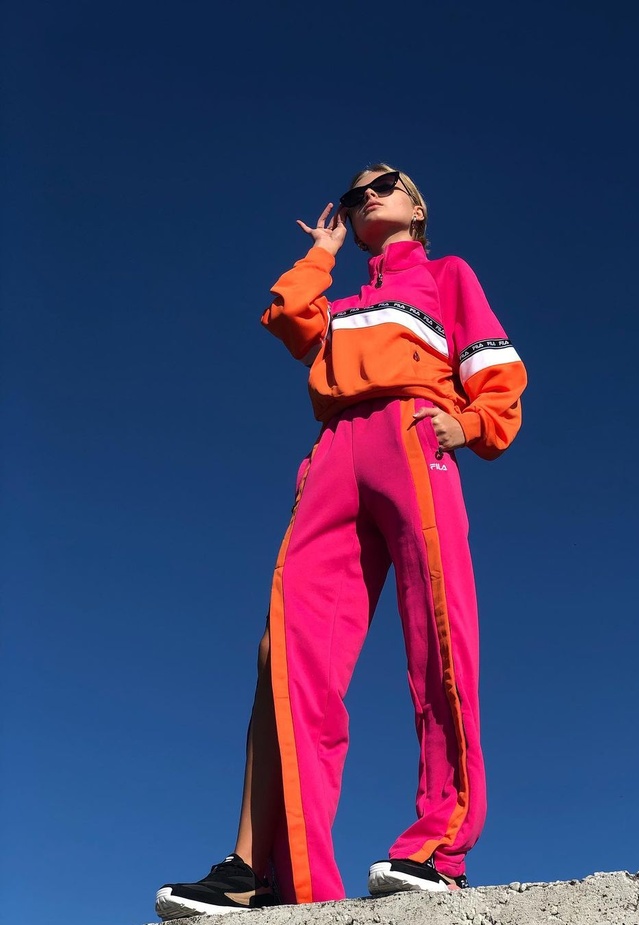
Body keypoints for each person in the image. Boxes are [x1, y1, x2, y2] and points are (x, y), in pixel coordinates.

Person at [155, 164, 527, 919]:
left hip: (412, 433)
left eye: (383, 184)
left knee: (439, 633)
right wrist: (322, 253)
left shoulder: (448, 275)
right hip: (332, 453)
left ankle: (439, 846)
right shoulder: (345, 303)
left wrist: (472, 424)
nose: (366, 197)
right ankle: (267, 871)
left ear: (417, 206)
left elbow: (496, 368)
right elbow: (291, 316)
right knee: (287, 652)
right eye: (355, 194)